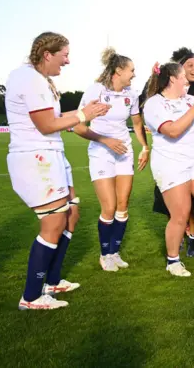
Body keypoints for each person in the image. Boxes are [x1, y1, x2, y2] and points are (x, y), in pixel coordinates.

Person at [6, 32, 109, 309]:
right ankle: (30, 296)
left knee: (71, 213)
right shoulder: (27, 78)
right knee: (53, 221)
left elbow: (56, 118)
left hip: (51, 156)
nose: (68, 60)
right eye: (64, 55)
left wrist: (86, 112)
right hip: (35, 158)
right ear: (47, 54)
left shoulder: (41, 80)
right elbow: (45, 125)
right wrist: (83, 115)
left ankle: (51, 281)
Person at [143, 62, 194, 277]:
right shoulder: (154, 104)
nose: (188, 81)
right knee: (180, 214)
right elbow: (172, 130)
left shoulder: (190, 99)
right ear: (172, 79)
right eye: (183, 78)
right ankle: (173, 261)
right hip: (170, 162)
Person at [74, 48, 149, 271]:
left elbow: (136, 124)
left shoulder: (132, 94)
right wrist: (105, 140)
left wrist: (145, 147)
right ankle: (104, 254)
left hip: (124, 152)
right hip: (101, 151)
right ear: (118, 70)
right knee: (109, 207)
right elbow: (78, 126)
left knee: (123, 205)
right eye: (132, 70)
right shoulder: (95, 90)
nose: (134, 75)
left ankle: (114, 253)